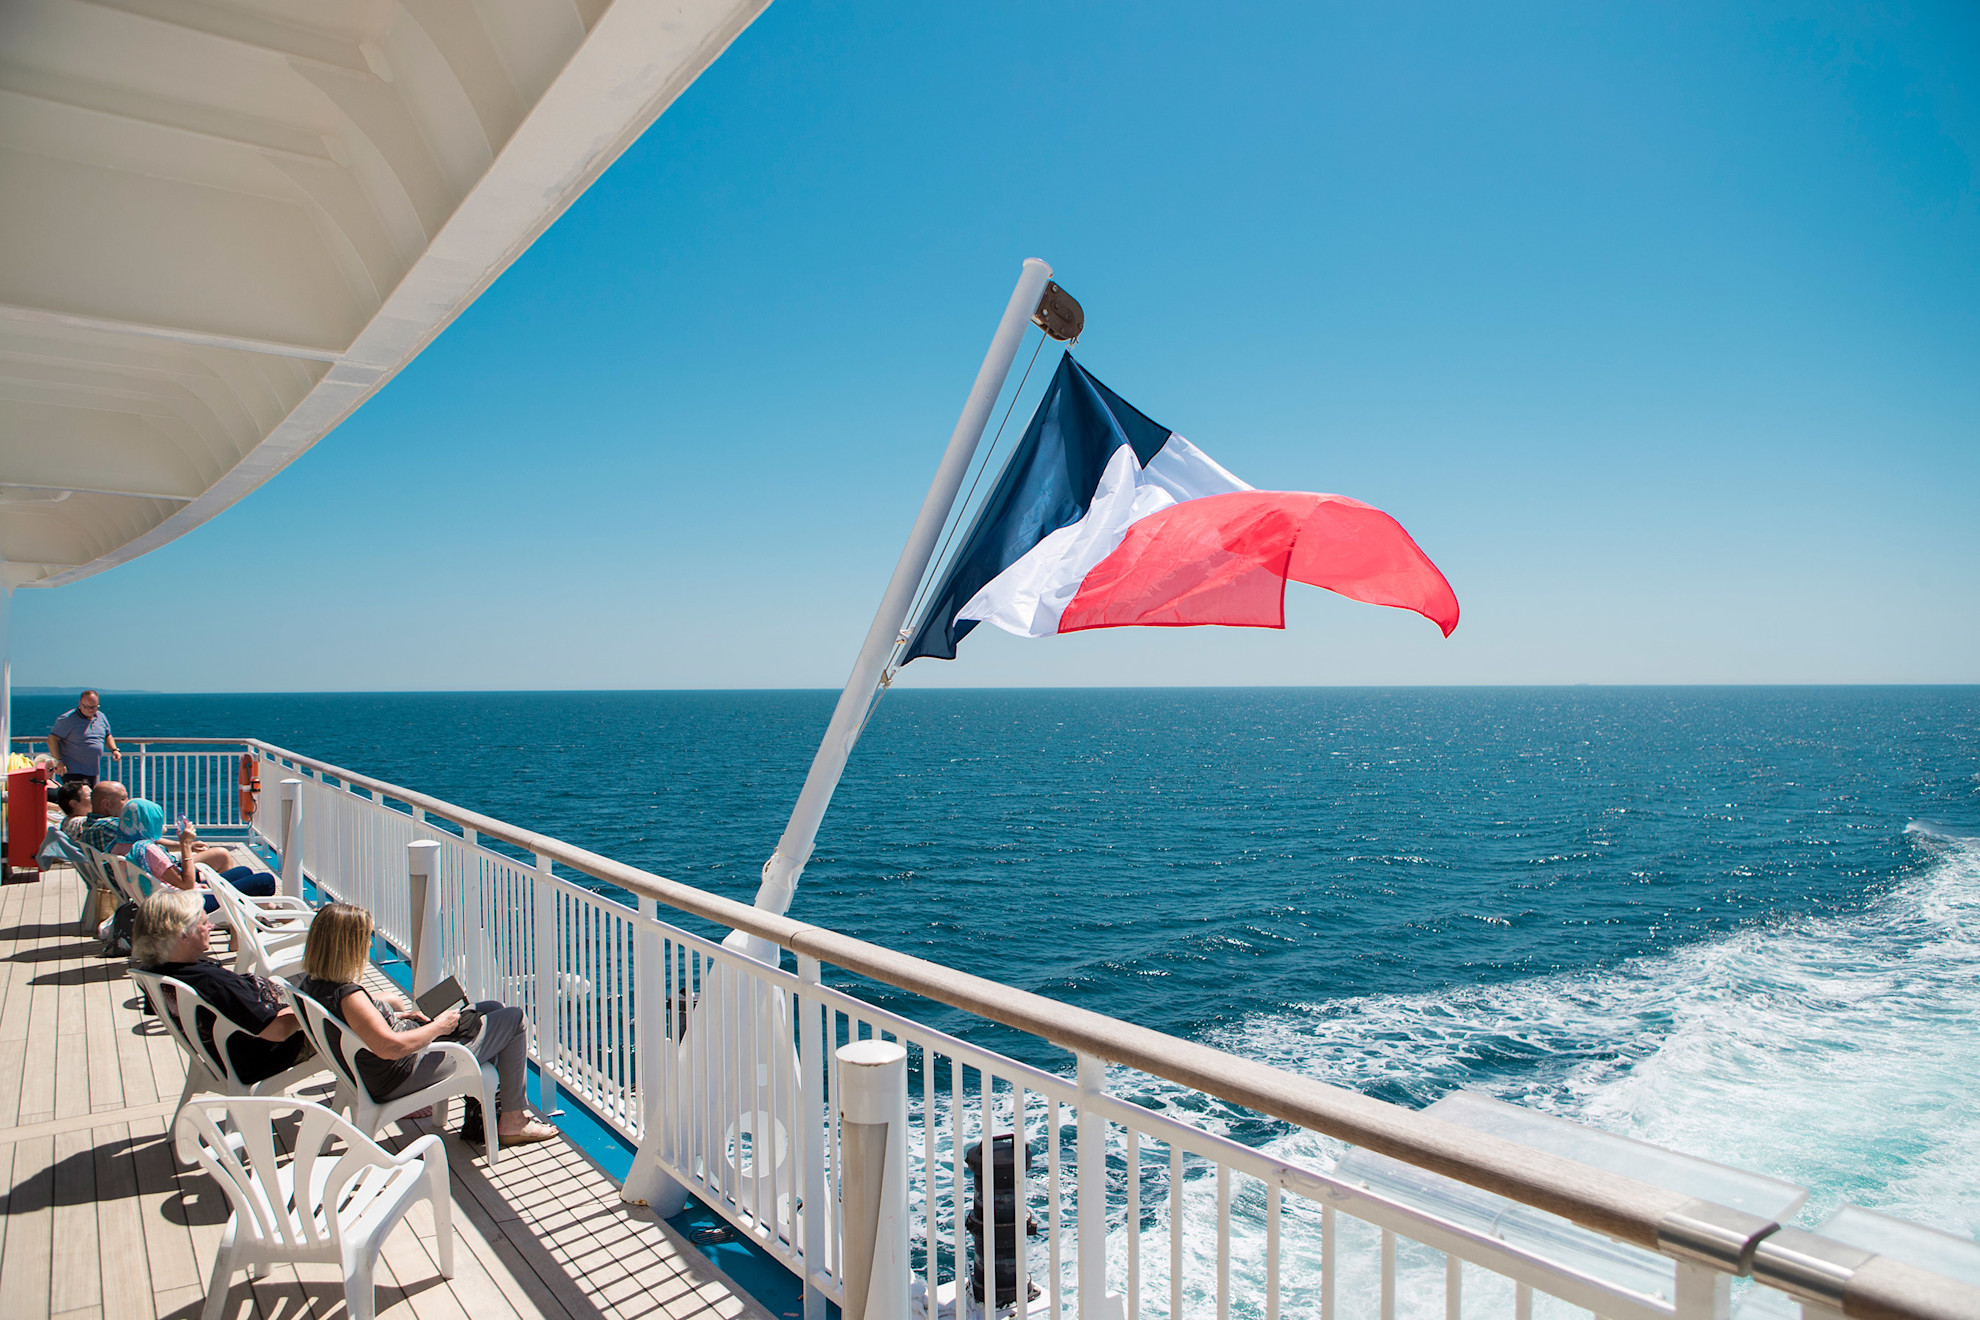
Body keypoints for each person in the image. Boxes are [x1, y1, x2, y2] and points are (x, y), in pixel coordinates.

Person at [296, 903, 556, 1146]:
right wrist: (438, 1027)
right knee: (514, 1019)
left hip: (385, 1066)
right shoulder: (349, 995)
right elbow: (390, 1048)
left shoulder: (312, 985)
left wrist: (403, 1018)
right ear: (347, 946)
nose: (370, 944)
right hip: (403, 1071)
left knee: (490, 1008)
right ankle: (512, 1121)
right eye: (365, 938)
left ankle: (486, 1113)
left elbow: (361, 1028)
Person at [130, 889, 312, 1084]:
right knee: (342, 1025)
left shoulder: (156, 971)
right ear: (182, 935)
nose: (212, 926)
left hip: (223, 1053)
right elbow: (278, 1031)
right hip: (260, 1057)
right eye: (203, 923)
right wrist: (305, 1009)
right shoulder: (211, 983)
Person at [113, 798, 278, 912]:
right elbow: (188, 884)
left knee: (244, 872)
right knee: (265, 880)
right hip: (186, 904)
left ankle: (261, 912)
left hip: (162, 900)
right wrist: (185, 845)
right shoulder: (148, 850)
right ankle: (251, 921)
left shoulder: (120, 846)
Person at [47, 690, 119, 787]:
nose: (91, 710)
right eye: (87, 707)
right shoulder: (67, 719)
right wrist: (59, 760)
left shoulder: (101, 717)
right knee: (77, 799)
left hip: (92, 770)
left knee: (88, 798)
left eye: (94, 707)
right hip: (72, 770)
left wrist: (114, 750)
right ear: (80, 704)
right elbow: (52, 739)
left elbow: (107, 735)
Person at [77, 780, 128, 854]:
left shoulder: (89, 824)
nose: (128, 802)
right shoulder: (108, 826)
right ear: (106, 804)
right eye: (123, 799)